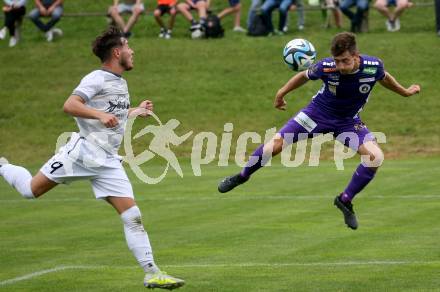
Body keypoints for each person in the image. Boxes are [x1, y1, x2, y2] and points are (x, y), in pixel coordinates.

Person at [0, 27, 185, 290]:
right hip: (82, 154)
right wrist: (98, 116)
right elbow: (70, 105)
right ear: (117, 52)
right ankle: (2, 165)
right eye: (128, 46)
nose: (133, 51)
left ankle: (152, 272)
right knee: (30, 190)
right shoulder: (96, 78)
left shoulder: (120, 82)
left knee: (132, 215)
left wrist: (135, 111)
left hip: (107, 161)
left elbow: (112, 116)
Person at [218, 32, 420, 230]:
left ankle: (344, 200)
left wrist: (405, 92)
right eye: (337, 60)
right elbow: (304, 76)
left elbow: (384, 78)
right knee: (276, 144)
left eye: (345, 61)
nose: (340, 66)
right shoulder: (326, 67)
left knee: (375, 157)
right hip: (316, 115)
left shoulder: (373, 66)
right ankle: (242, 176)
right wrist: (281, 93)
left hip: (348, 122)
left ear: (356, 56)